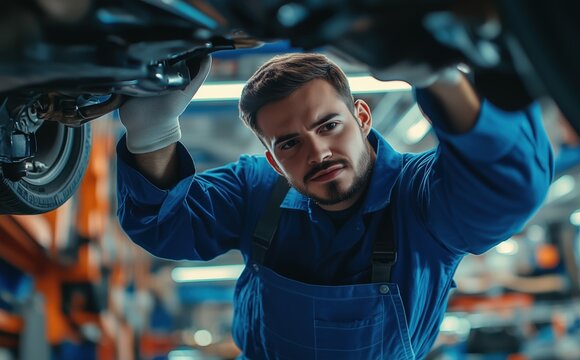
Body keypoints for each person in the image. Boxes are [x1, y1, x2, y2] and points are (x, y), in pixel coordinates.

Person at [116, 53, 553, 359]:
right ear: (273, 159)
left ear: (362, 117)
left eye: (329, 125)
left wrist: (442, 78)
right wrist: (152, 133)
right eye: (290, 143)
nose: (319, 153)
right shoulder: (257, 188)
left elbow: (510, 187)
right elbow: (164, 223)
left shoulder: (419, 199)